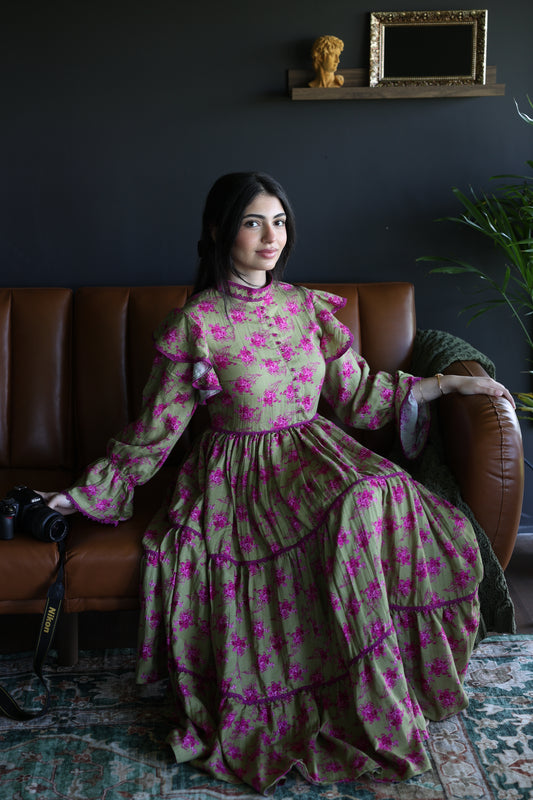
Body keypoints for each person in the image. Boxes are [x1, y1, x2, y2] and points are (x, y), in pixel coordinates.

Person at [43, 172, 515, 794]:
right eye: (253, 222)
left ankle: (377, 691)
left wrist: (450, 384)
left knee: (379, 492)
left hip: (315, 450)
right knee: (351, 506)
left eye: (280, 222)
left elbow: (358, 395)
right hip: (241, 475)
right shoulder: (197, 325)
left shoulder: (306, 306)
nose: (272, 237)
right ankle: (316, 702)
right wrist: (86, 492)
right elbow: (157, 426)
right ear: (219, 232)